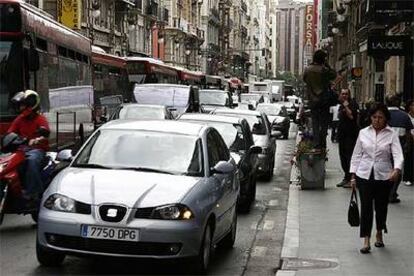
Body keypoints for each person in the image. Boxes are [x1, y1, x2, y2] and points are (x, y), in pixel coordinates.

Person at [350, 102, 403, 254]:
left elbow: (398, 154)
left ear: (386, 118)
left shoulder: (391, 134)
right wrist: (353, 176)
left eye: (380, 117)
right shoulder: (363, 133)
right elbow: (356, 155)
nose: (377, 120)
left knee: (381, 207)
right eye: (374, 117)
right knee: (366, 207)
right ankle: (366, 239)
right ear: (370, 118)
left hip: (384, 175)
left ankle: (379, 232)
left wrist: (397, 169)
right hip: (364, 174)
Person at [7, 90, 50, 200]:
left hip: (37, 150)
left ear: (31, 104)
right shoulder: (19, 119)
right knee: (8, 162)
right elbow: (10, 133)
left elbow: (45, 133)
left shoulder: (40, 119)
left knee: (31, 161)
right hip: (21, 149)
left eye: (23, 105)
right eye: (20, 105)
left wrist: (37, 140)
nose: (21, 108)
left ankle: (33, 192)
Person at [303, 50, 337, 150]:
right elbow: (333, 75)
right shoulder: (324, 70)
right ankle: (322, 143)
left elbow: (305, 80)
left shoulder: (307, 69)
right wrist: (327, 65)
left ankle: (316, 143)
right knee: (324, 124)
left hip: (312, 101)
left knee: (315, 123)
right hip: (323, 100)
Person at [385, 95, 413, 203]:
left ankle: (386, 192)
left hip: (384, 146)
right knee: (397, 169)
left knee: (384, 169)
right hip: (399, 146)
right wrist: (407, 146)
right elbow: (408, 133)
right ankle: (392, 193)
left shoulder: (382, 115)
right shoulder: (405, 116)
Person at [336, 89, 359, 188]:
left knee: (349, 156)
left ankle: (352, 178)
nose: (344, 95)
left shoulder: (353, 104)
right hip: (342, 134)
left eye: (346, 94)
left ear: (349, 95)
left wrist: (346, 105)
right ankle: (346, 176)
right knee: (342, 156)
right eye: (343, 94)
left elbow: (351, 117)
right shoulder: (341, 105)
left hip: (350, 135)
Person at [403, 99, 414, 186]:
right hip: (410, 139)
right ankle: (408, 177)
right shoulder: (406, 116)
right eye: (412, 105)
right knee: (409, 158)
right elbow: (407, 129)